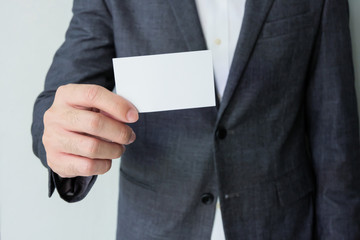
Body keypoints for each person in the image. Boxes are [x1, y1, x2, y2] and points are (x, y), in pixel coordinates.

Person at [32, 0, 360, 239]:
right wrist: (60, 134)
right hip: (154, 225)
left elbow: (336, 142)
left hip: (280, 224)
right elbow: (58, 100)